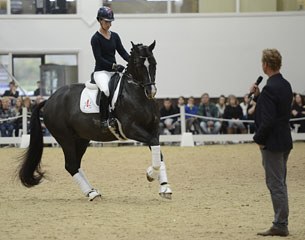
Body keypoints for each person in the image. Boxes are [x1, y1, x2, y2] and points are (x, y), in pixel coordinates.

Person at [251, 49, 293, 237]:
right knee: (280, 183)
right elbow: (276, 111)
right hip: (285, 139)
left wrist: (258, 139)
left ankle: (280, 224)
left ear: (265, 65)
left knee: (275, 184)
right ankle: (281, 221)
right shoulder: (285, 85)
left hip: (272, 143)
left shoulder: (270, 88)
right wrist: (259, 97)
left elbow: (267, 120)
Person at [91, 6, 130, 130]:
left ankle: (116, 116)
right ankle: (103, 120)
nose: (109, 25)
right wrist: (113, 66)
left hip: (113, 71)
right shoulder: (95, 38)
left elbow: (122, 52)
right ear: (100, 20)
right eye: (107, 22)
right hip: (101, 71)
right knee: (106, 90)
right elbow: (99, 59)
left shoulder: (115, 36)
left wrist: (133, 61)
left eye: (110, 22)